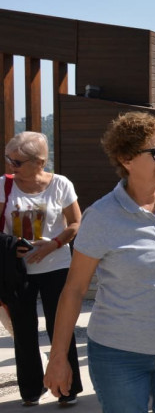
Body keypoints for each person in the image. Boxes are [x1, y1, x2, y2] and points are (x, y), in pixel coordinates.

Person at [43, 112, 155, 411]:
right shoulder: (101, 217)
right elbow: (74, 290)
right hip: (119, 355)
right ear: (126, 159)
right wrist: (58, 357)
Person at [2, 131, 82, 406]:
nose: (11, 166)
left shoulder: (60, 184)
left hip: (56, 266)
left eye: (17, 161)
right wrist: (12, 246)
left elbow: (75, 223)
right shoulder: (4, 185)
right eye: (9, 159)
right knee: (24, 331)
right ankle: (31, 390)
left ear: (40, 162)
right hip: (18, 270)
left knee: (60, 327)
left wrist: (53, 244)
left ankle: (67, 389)